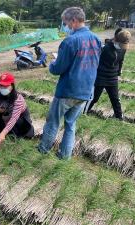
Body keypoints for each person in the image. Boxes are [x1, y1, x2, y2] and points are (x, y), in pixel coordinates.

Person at [37, 7, 101, 159]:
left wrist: (52, 63)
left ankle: (43, 149)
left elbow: (58, 68)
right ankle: (65, 155)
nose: (64, 26)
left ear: (73, 21)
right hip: (86, 90)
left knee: (53, 121)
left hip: (68, 90)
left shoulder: (70, 41)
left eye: (65, 23)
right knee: (71, 124)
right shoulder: (96, 39)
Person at [86, 29, 131, 120]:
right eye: (121, 44)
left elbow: (121, 60)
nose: (122, 47)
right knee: (94, 98)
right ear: (116, 39)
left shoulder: (123, 48)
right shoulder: (105, 48)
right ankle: (83, 112)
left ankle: (119, 118)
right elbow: (94, 61)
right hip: (100, 77)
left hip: (113, 77)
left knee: (115, 99)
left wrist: (119, 71)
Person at [0, 72, 34, 146]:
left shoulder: (18, 99)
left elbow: (14, 119)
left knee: (14, 128)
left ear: (12, 86)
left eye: (6, 86)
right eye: (1, 85)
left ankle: (7, 133)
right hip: (7, 113)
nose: (3, 88)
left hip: (20, 118)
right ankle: (2, 131)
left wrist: (4, 133)